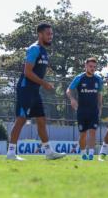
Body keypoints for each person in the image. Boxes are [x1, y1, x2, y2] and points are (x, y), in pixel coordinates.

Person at [6, 23, 66, 161]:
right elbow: (27, 72)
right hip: (25, 89)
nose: (51, 36)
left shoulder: (44, 51)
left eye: (52, 34)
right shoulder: (34, 49)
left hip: (35, 91)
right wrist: (44, 83)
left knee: (41, 120)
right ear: (40, 34)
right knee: (21, 120)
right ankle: (10, 153)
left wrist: (42, 83)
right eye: (48, 34)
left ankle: (49, 152)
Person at [66, 57, 103, 161]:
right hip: (82, 110)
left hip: (94, 110)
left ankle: (91, 154)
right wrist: (72, 99)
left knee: (93, 132)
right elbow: (69, 90)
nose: (92, 68)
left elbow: (99, 94)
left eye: (94, 67)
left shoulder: (98, 79)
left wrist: (100, 107)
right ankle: (83, 154)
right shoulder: (79, 78)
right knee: (83, 134)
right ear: (86, 66)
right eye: (90, 66)